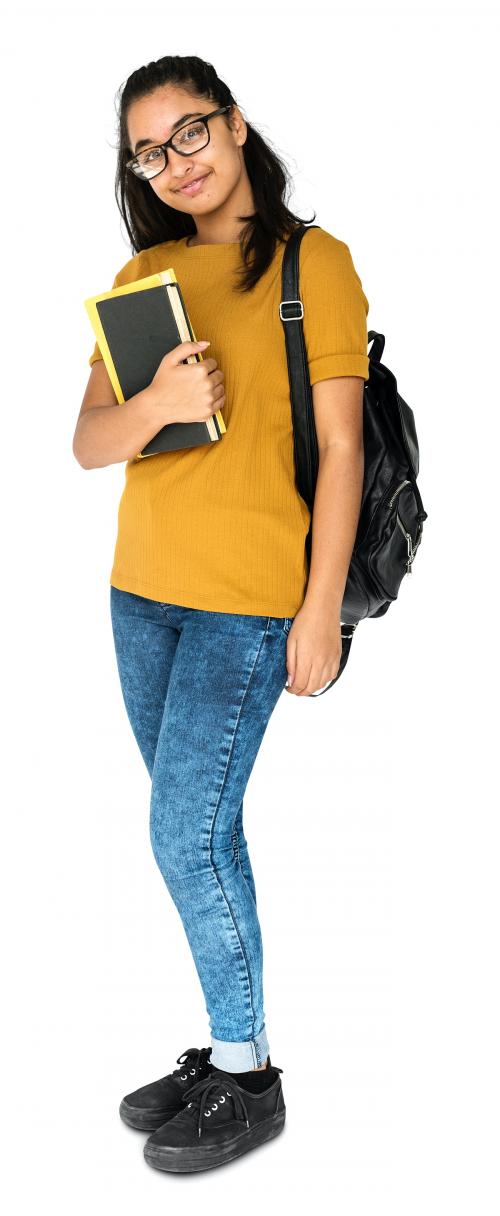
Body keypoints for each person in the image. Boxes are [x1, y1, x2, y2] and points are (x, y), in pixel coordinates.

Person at [73, 53, 369, 1174]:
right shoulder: (143, 270)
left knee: (180, 833)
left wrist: (321, 609)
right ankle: (225, 1041)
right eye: (149, 150)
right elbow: (89, 442)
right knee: (203, 832)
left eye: (189, 133)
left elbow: (340, 450)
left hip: (246, 603)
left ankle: (248, 1075)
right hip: (139, 592)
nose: (174, 163)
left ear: (235, 125)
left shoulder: (311, 263)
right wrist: (152, 402)